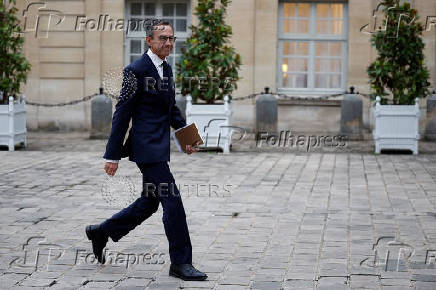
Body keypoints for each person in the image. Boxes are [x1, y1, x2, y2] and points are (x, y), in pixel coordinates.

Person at [85, 20, 207, 281]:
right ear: (149, 41)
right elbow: (122, 114)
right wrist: (112, 155)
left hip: (159, 147)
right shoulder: (135, 70)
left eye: (172, 38)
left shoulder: (167, 69)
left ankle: (102, 232)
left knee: (149, 202)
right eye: (163, 38)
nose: (169, 43)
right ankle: (181, 263)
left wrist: (188, 137)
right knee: (172, 202)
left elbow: (170, 109)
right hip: (145, 149)